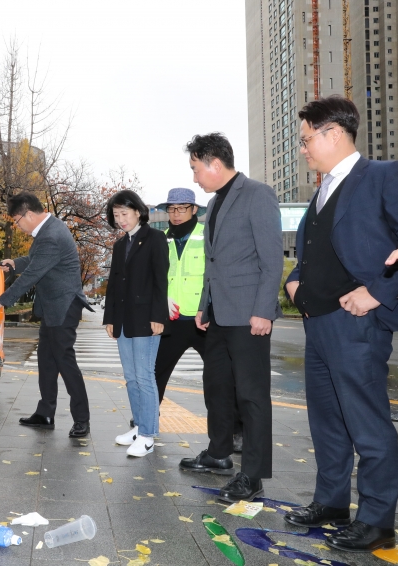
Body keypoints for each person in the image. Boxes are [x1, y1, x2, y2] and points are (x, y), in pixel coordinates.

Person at [284, 96, 398, 552]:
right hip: (318, 321)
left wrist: (378, 292)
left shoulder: (385, 175)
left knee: (366, 423)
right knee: (327, 420)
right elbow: (314, 252)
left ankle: (376, 520)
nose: (303, 149)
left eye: (307, 139)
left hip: (358, 323)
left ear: (333, 133)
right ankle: (331, 502)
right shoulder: (321, 190)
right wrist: (294, 281)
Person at [178, 133, 283, 504]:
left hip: (248, 313)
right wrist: (205, 305)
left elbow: (272, 259)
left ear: (214, 163)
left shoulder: (257, 194)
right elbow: (215, 262)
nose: (194, 178)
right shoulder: (217, 203)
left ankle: (252, 475)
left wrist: (262, 310)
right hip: (220, 314)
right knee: (217, 385)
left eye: (195, 169)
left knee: (252, 395)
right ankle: (219, 452)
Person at [0, 192, 93, 438]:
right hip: (54, 306)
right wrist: (14, 263)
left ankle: (82, 420)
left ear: (29, 214)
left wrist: (1, 301)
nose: (18, 226)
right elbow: (33, 260)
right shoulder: (47, 230)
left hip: (63, 307)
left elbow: (33, 274)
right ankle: (45, 413)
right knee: (47, 361)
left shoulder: (51, 235)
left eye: (17, 220)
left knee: (65, 362)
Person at [151, 189, 244, 452]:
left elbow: (216, 275)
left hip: (204, 320)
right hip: (171, 319)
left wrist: (212, 308)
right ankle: (146, 421)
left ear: (195, 210)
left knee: (222, 378)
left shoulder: (207, 237)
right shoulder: (160, 240)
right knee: (155, 372)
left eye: (182, 209)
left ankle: (237, 431)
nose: (176, 214)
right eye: (171, 209)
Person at [102, 190, 168, 457]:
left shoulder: (155, 238)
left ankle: (148, 434)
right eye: (116, 215)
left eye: (124, 214)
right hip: (124, 320)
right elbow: (114, 284)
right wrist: (109, 318)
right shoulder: (120, 245)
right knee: (131, 378)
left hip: (146, 319)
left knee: (144, 376)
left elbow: (160, 280)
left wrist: (158, 316)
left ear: (138, 212)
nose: (121, 219)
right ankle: (139, 426)